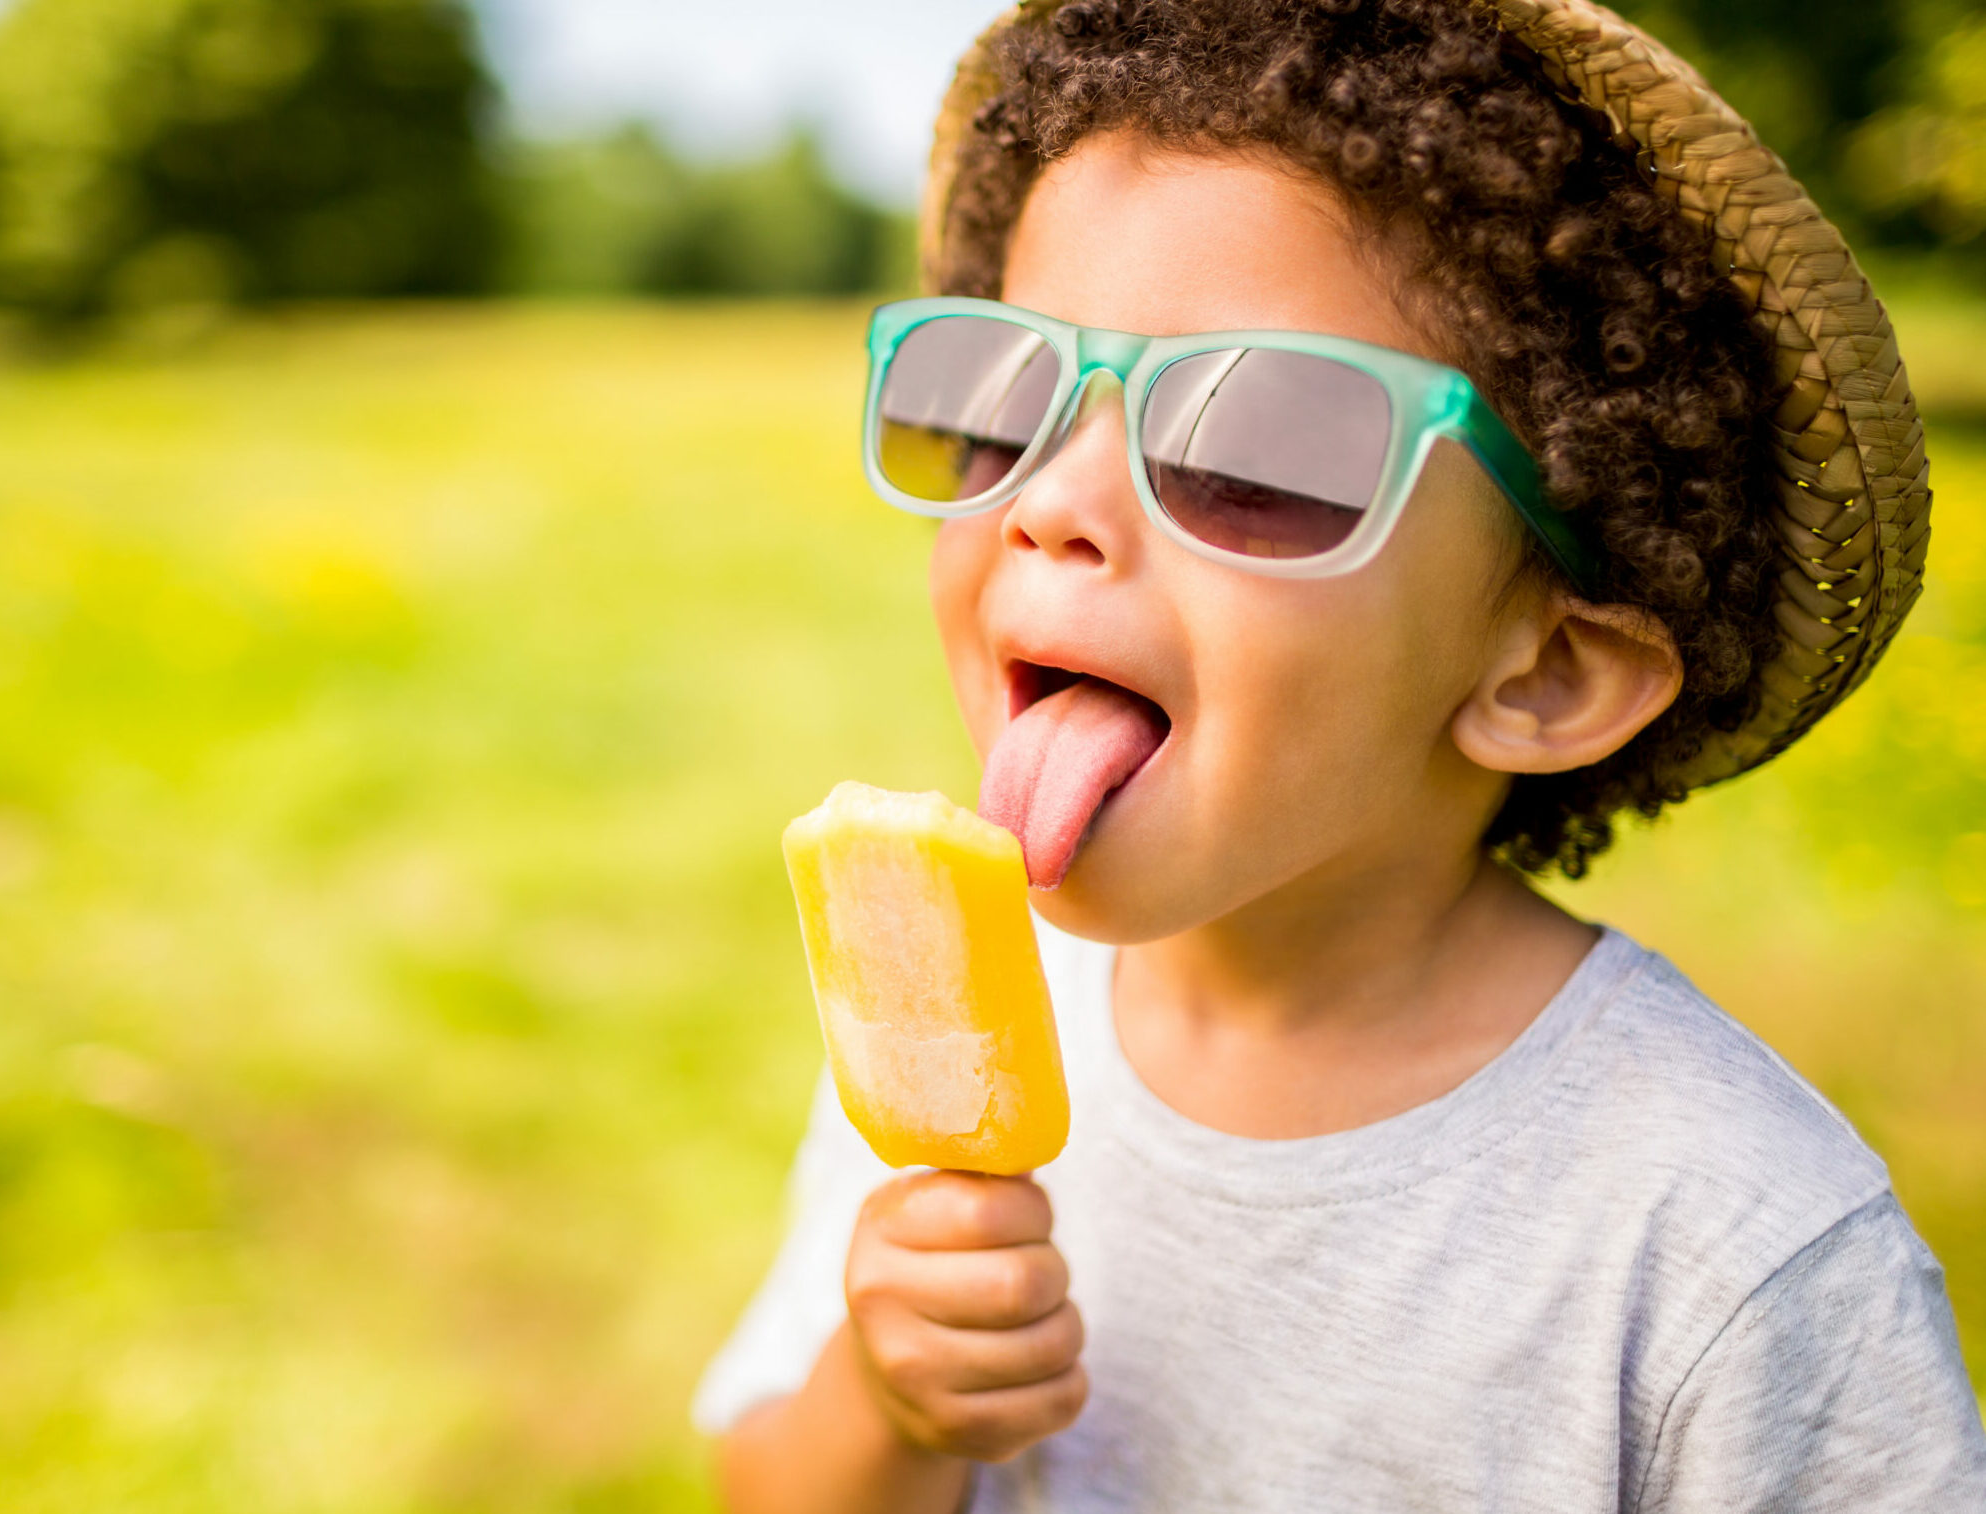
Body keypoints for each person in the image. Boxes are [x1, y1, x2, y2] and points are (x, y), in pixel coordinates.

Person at [693, 1, 1986, 1509]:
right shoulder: (970, 1028)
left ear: (1547, 670)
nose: (1050, 500)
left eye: (1256, 452)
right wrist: (889, 1403)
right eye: (1000, 400)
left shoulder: (1725, 1247)